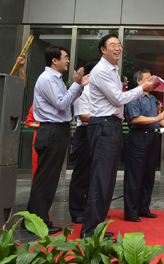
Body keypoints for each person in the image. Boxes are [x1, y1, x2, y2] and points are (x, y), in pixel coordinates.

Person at [80, 34, 158, 238]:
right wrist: (141, 89)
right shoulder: (101, 70)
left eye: (119, 44)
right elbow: (117, 99)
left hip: (111, 125)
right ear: (103, 49)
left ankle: (97, 227)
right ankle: (89, 231)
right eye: (112, 45)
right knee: (100, 179)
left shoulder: (113, 70)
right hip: (103, 125)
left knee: (107, 180)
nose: (117, 48)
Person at [25, 45, 88, 234]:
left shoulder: (56, 78)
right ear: (54, 60)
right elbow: (61, 104)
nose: (67, 61)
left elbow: (66, 102)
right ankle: (36, 223)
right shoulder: (47, 79)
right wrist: (76, 85)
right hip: (51, 130)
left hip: (57, 130)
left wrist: (78, 86)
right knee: (45, 178)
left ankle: (35, 220)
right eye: (65, 57)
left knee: (49, 178)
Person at [124, 69, 164, 222]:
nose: (152, 80)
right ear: (139, 81)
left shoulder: (152, 98)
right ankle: (131, 212)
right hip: (139, 136)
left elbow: (156, 118)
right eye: (148, 78)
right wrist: (157, 118)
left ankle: (144, 208)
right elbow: (135, 119)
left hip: (153, 136)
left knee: (149, 175)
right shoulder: (133, 96)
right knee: (135, 175)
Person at [68, 59, 99, 224]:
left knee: (96, 174)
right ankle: (77, 211)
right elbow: (83, 116)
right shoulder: (83, 89)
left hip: (99, 131)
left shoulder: (101, 89)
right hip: (85, 133)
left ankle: (92, 209)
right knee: (82, 174)